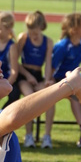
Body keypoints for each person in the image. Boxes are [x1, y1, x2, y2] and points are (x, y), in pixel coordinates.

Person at [51, 12, 81, 148]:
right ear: (73, 30)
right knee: (74, 93)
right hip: (60, 79)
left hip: (78, 78)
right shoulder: (61, 46)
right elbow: (52, 68)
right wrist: (48, 81)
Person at [17, 10, 54, 149]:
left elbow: (48, 63)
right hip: (24, 75)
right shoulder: (23, 38)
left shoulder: (48, 41)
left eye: (35, 31)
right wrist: (27, 75)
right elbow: (15, 61)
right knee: (29, 97)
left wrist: (47, 80)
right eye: (30, 29)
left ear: (41, 27)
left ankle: (47, 136)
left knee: (51, 97)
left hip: (38, 76)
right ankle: (29, 135)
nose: (33, 33)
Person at [0, 11, 18, 96]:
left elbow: (14, 72)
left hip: (3, 78)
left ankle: (5, 109)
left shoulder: (11, 47)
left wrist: (3, 85)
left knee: (15, 93)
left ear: (8, 30)